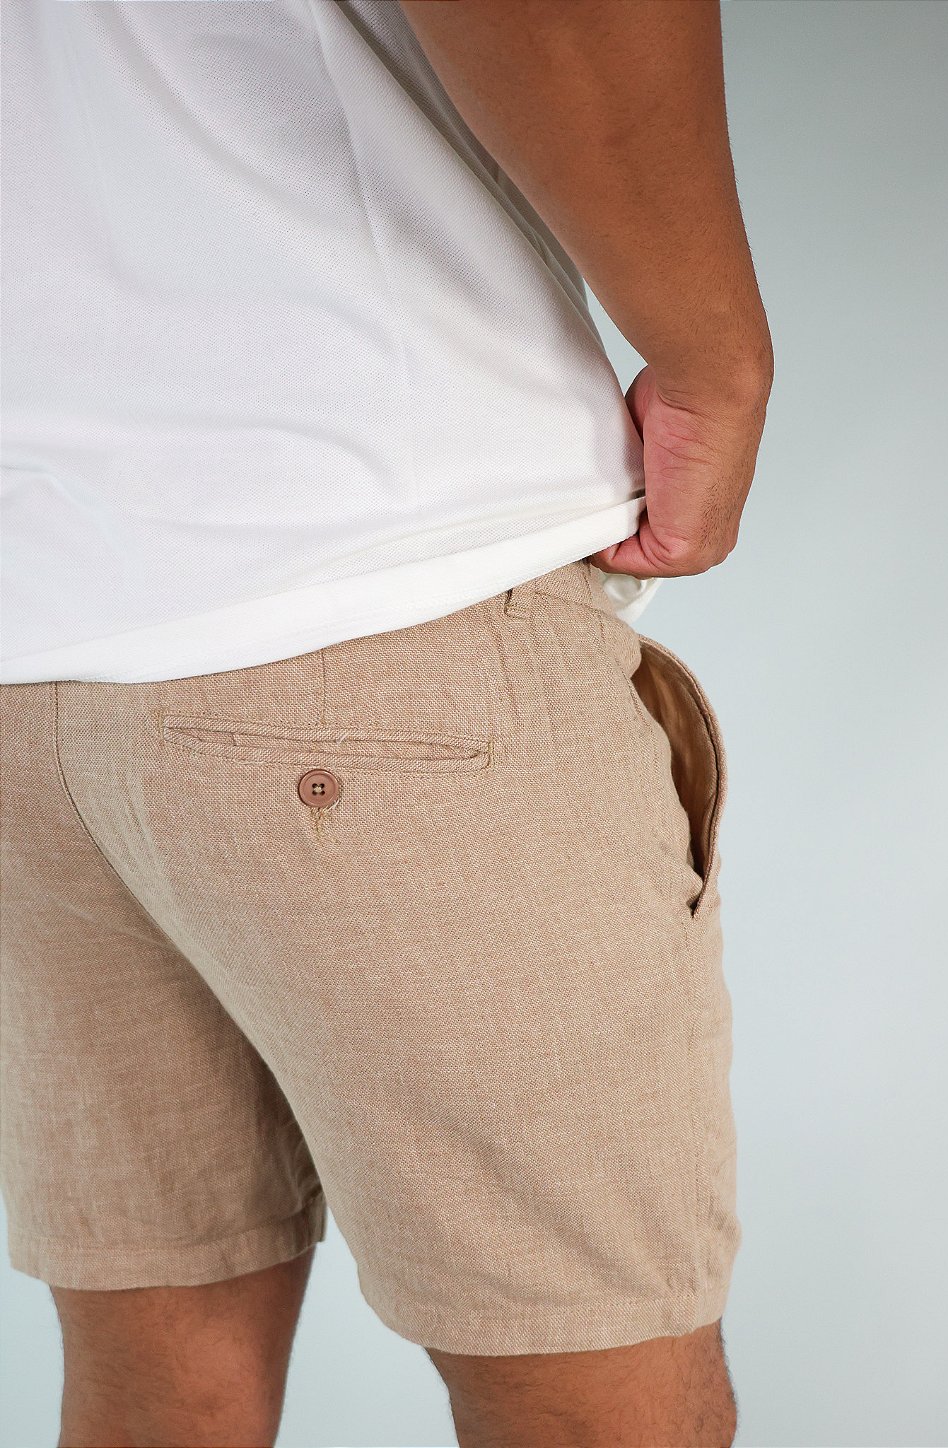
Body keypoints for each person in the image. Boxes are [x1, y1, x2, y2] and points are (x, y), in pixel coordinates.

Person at [0, 1, 772, 1444]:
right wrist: (713, 355)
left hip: (35, 648)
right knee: (592, 1392)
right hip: (381, 578)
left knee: (161, 1376)